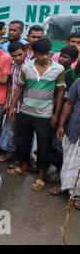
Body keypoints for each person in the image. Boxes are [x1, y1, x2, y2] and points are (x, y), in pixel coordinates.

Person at [7, 38, 65, 192]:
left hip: (45, 115)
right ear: (35, 53)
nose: (45, 57)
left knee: (43, 147)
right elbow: (20, 88)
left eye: (47, 53)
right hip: (25, 112)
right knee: (23, 143)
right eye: (41, 54)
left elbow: (60, 93)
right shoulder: (26, 67)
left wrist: (55, 115)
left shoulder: (58, 69)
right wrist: (12, 106)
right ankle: (24, 167)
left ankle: (40, 177)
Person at [50, 78, 80, 210]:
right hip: (75, 128)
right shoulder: (78, 82)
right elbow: (69, 103)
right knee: (69, 158)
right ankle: (64, 185)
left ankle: (77, 195)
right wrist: (61, 125)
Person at [0, 41, 28, 163]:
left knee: (22, 134)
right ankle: (11, 154)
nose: (17, 58)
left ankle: (19, 158)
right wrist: (7, 103)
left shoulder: (28, 67)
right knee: (11, 132)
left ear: (25, 52)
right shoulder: (13, 66)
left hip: (24, 106)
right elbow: (11, 86)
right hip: (12, 105)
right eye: (14, 56)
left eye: (20, 55)